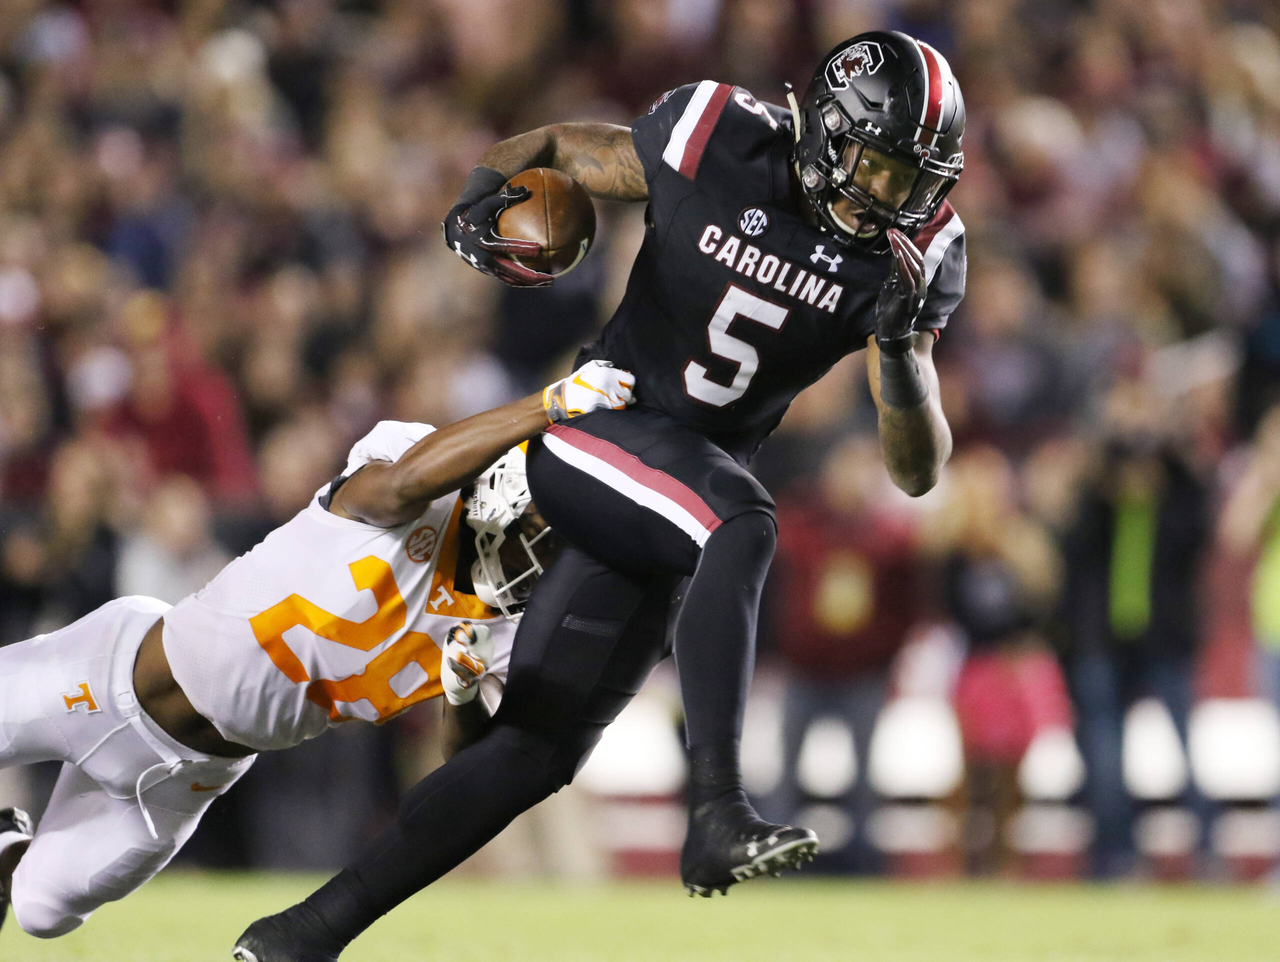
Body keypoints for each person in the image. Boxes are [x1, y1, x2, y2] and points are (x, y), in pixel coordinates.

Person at [237, 30, 966, 960]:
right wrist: (481, 190)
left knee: (537, 750)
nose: (892, 200)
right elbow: (555, 149)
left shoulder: (923, 250)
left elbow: (917, 468)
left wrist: (902, 357)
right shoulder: (718, 135)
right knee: (743, 519)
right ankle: (718, 809)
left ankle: (301, 934)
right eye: (879, 167)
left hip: (672, 498)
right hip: (598, 423)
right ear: (826, 129)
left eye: (914, 181)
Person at [0, 359, 633, 941]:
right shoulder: (419, 474)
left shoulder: (506, 634)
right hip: (113, 675)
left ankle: (7, 846)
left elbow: (461, 771)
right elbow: (397, 486)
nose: (546, 566)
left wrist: (462, 698)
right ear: (506, 495)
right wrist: (549, 404)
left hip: (188, 777)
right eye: (546, 540)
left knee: (41, 910)